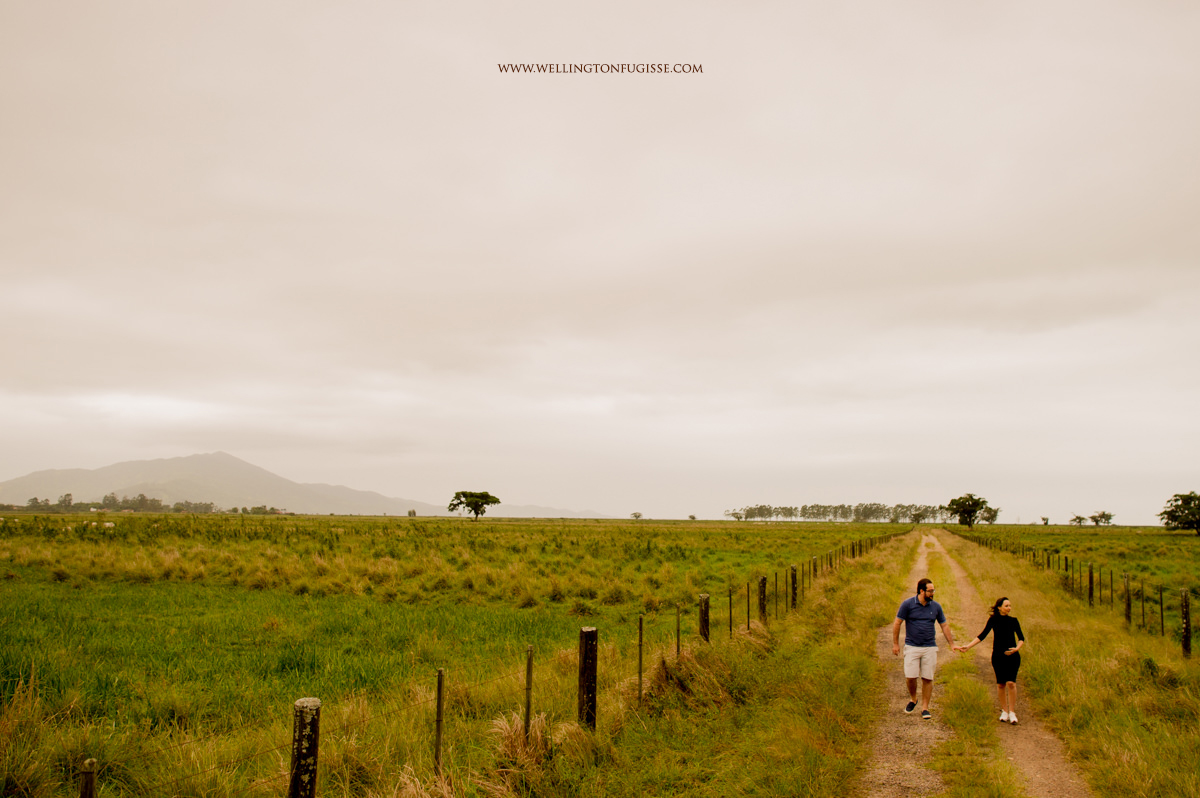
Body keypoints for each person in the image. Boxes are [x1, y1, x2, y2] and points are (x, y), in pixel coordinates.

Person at [892, 577, 956, 720]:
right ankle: (913, 699)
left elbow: (944, 625)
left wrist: (951, 644)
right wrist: (895, 643)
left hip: (929, 647)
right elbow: (897, 623)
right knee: (911, 677)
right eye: (930, 591)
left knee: (928, 678)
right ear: (922, 591)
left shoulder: (936, 606)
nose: (933, 593)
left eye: (933, 590)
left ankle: (925, 708)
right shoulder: (907, 604)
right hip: (912, 646)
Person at [955, 596, 1025, 724]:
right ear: (999, 607)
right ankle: (1004, 711)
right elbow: (982, 635)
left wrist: (1016, 649)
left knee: (1011, 683)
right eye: (1006, 606)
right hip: (998, 656)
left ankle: (1012, 712)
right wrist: (968, 646)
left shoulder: (1014, 621)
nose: (1009, 608)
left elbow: (1021, 638)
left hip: (1013, 656)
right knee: (1001, 684)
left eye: (1010, 606)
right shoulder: (993, 620)